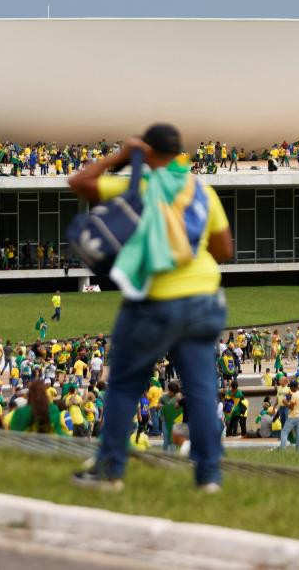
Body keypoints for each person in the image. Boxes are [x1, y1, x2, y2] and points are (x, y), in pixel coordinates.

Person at [67, 124, 233, 492]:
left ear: (149, 150)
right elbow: (224, 249)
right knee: (202, 390)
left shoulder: (141, 186)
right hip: (204, 298)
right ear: (179, 152)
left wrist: (123, 156)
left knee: (125, 385)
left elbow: (79, 183)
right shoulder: (201, 190)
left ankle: (110, 470)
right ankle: (208, 478)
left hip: (154, 300)